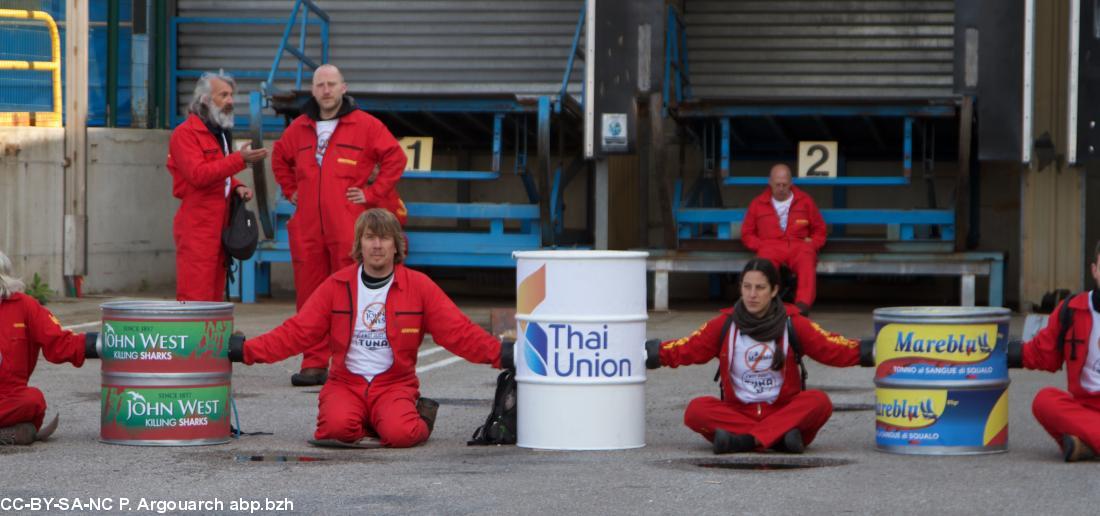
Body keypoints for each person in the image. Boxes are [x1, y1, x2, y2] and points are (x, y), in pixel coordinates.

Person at [229, 209, 510, 448]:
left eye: (385, 238)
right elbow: (297, 331)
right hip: (345, 383)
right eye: (370, 237)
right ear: (359, 244)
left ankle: (414, 417)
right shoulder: (336, 286)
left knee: (402, 435)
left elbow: (457, 331)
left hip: (394, 384)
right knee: (336, 430)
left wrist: (501, 354)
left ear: (396, 245)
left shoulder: (419, 286)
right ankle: (369, 417)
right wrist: (247, 351)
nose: (377, 245)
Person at [271, 64, 409, 387]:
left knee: (351, 294)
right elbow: (279, 157)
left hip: (347, 224)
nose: (327, 90)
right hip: (307, 227)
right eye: (320, 85)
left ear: (344, 88)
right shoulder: (300, 127)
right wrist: (291, 189)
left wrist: (373, 193)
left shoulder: (364, 125)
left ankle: (348, 362)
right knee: (309, 297)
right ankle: (314, 363)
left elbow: (395, 158)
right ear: (313, 90)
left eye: (332, 84)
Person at [645, 258, 865, 454]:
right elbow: (688, 347)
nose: (752, 294)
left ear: (774, 290)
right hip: (739, 413)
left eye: (760, 288)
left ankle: (743, 441)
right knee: (696, 410)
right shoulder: (725, 324)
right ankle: (776, 440)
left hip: (784, 411)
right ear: (740, 288)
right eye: (747, 287)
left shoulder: (792, 323)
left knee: (819, 402)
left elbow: (831, 347)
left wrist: (868, 351)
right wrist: (652, 354)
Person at [167, 71, 264, 301]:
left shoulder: (219, 132)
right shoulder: (185, 134)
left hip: (220, 228)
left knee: (215, 299)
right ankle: (195, 339)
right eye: (224, 95)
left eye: (231, 95)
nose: (231, 101)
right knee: (195, 299)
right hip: (198, 229)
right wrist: (240, 159)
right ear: (205, 100)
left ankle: (213, 339)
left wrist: (237, 185)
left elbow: (218, 171)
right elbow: (198, 175)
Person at [1009, 240, 1100, 462]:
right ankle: (1089, 441)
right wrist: (1005, 354)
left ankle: (1085, 445)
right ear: (1095, 270)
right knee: (1044, 400)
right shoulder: (1073, 309)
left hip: (1083, 422)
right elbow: (1044, 354)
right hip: (1085, 408)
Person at [0, 251, 98, 445]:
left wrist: (101, 344)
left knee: (33, 400)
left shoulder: (25, 306)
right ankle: (12, 432)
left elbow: (59, 342)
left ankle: (13, 432)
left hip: (8, 396)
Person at [740, 163, 826, 315]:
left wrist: (812, 244)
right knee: (763, 268)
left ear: (791, 183)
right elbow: (747, 233)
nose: (781, 188)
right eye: (777, 184)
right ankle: (765, 305)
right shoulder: (758, 203)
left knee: (807, 261)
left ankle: (802, 307)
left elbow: (820, 230)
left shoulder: (805, 201)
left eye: (784, 185)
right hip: (770, 246)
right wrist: (760, 246)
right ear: (770, 182)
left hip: (798, 245)